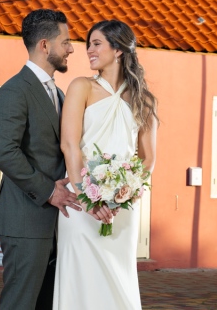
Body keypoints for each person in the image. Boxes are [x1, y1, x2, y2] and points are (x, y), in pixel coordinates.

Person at [54, 19, 158, 310]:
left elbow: (147, 158)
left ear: (119, 49)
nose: (88, 50)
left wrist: (127, 195)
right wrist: (87, 197)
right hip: (80, 203)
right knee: (81, 275)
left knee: (118, 277)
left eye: (96, 43)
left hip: (122, 207)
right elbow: (70, 145)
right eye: (89, 44)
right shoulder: (81, 87)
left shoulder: (144, 100)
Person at [0, 9, 83, 310]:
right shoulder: (14, 91)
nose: (71, 48)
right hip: (25, 219)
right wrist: (50, 191)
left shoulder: (58, 92)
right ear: (45, 46)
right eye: (66, 41)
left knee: (47, 303)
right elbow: (5, 152)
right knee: (21, 303)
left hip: (58, 223)